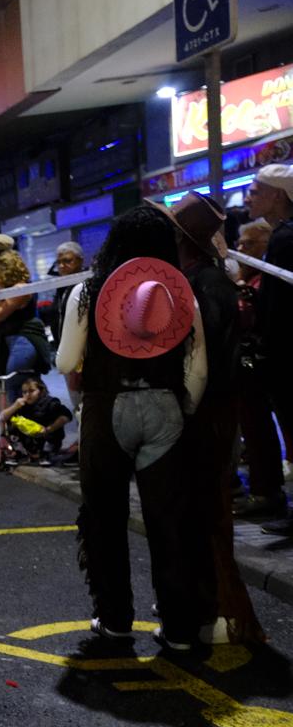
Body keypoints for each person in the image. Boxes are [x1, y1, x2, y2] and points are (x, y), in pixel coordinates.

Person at [55, 205, 208, 649]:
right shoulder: (181, 295)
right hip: (165, 410)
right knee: (170, 522)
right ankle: (179, 628)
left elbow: (66, 361)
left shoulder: (86, 293)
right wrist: (184, 410)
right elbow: (197, 370)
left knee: (105, 518)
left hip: (106, 410)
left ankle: (115, 618)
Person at [161, 193, 264, 645]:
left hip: (206, 413)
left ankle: (220, 612)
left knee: (205, 514)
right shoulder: (207, 280)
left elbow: (201, 361)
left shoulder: (203, 285)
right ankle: (213, 608)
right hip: (210, 410)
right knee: (203, 513)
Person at [245, 165, 293, 538]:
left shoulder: (284, 240)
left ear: (278, 195)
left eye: (255, 190)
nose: (249, 197)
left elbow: (277, 307)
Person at [232, 218, 286, 521]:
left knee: (265, 433)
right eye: (239, 244)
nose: (241, 249)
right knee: (254, 433)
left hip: (268, 366)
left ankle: (268, 494)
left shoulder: (267, 280)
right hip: (249, 368)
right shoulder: (245, 278)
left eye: (248, 244)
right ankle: (263, 490)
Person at [0, 251, 51, 403]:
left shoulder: (20, 288)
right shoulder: (15, 288)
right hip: (15, 340)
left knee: (15, 385)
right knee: (25, 385)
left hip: (24, 340)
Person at [0, 374, 72, 467]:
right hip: (29, 440)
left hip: (45, 437)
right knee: (12, 422)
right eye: (24, 392)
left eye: (31, 391)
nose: (27, 395)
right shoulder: (22, 404)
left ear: (41, 391)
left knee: (53, 421)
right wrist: (14, 406)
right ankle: (18, 452)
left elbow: (66, 416)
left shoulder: (50, 403)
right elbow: (1, 417)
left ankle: (46, 454)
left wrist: (48, 429)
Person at [47, 242, 85, 343]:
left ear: (80, 260)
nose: (61, 266)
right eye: (58, 262)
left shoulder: (87, 283)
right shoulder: (60, 285)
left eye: (67, 261)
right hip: (62, 344)